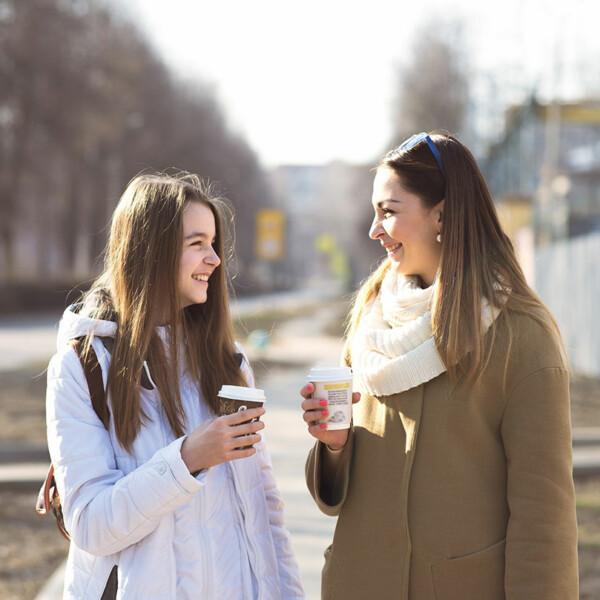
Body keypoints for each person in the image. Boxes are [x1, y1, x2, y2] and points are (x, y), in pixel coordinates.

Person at [301, 132, 578, 600]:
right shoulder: (371, 320)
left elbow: (544, 523)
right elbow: (339, 498)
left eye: (389, 211)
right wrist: (334, 448)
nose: (375, 230)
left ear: (443, 215)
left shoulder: (520, 338)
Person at [46, 172, 304, 599]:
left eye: (214, 244)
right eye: (196, 243)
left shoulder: (230, 364)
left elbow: (265, 516)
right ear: (151, 252)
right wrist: (186, 459)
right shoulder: (84, 367)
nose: (215, 259)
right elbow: (90, 525)